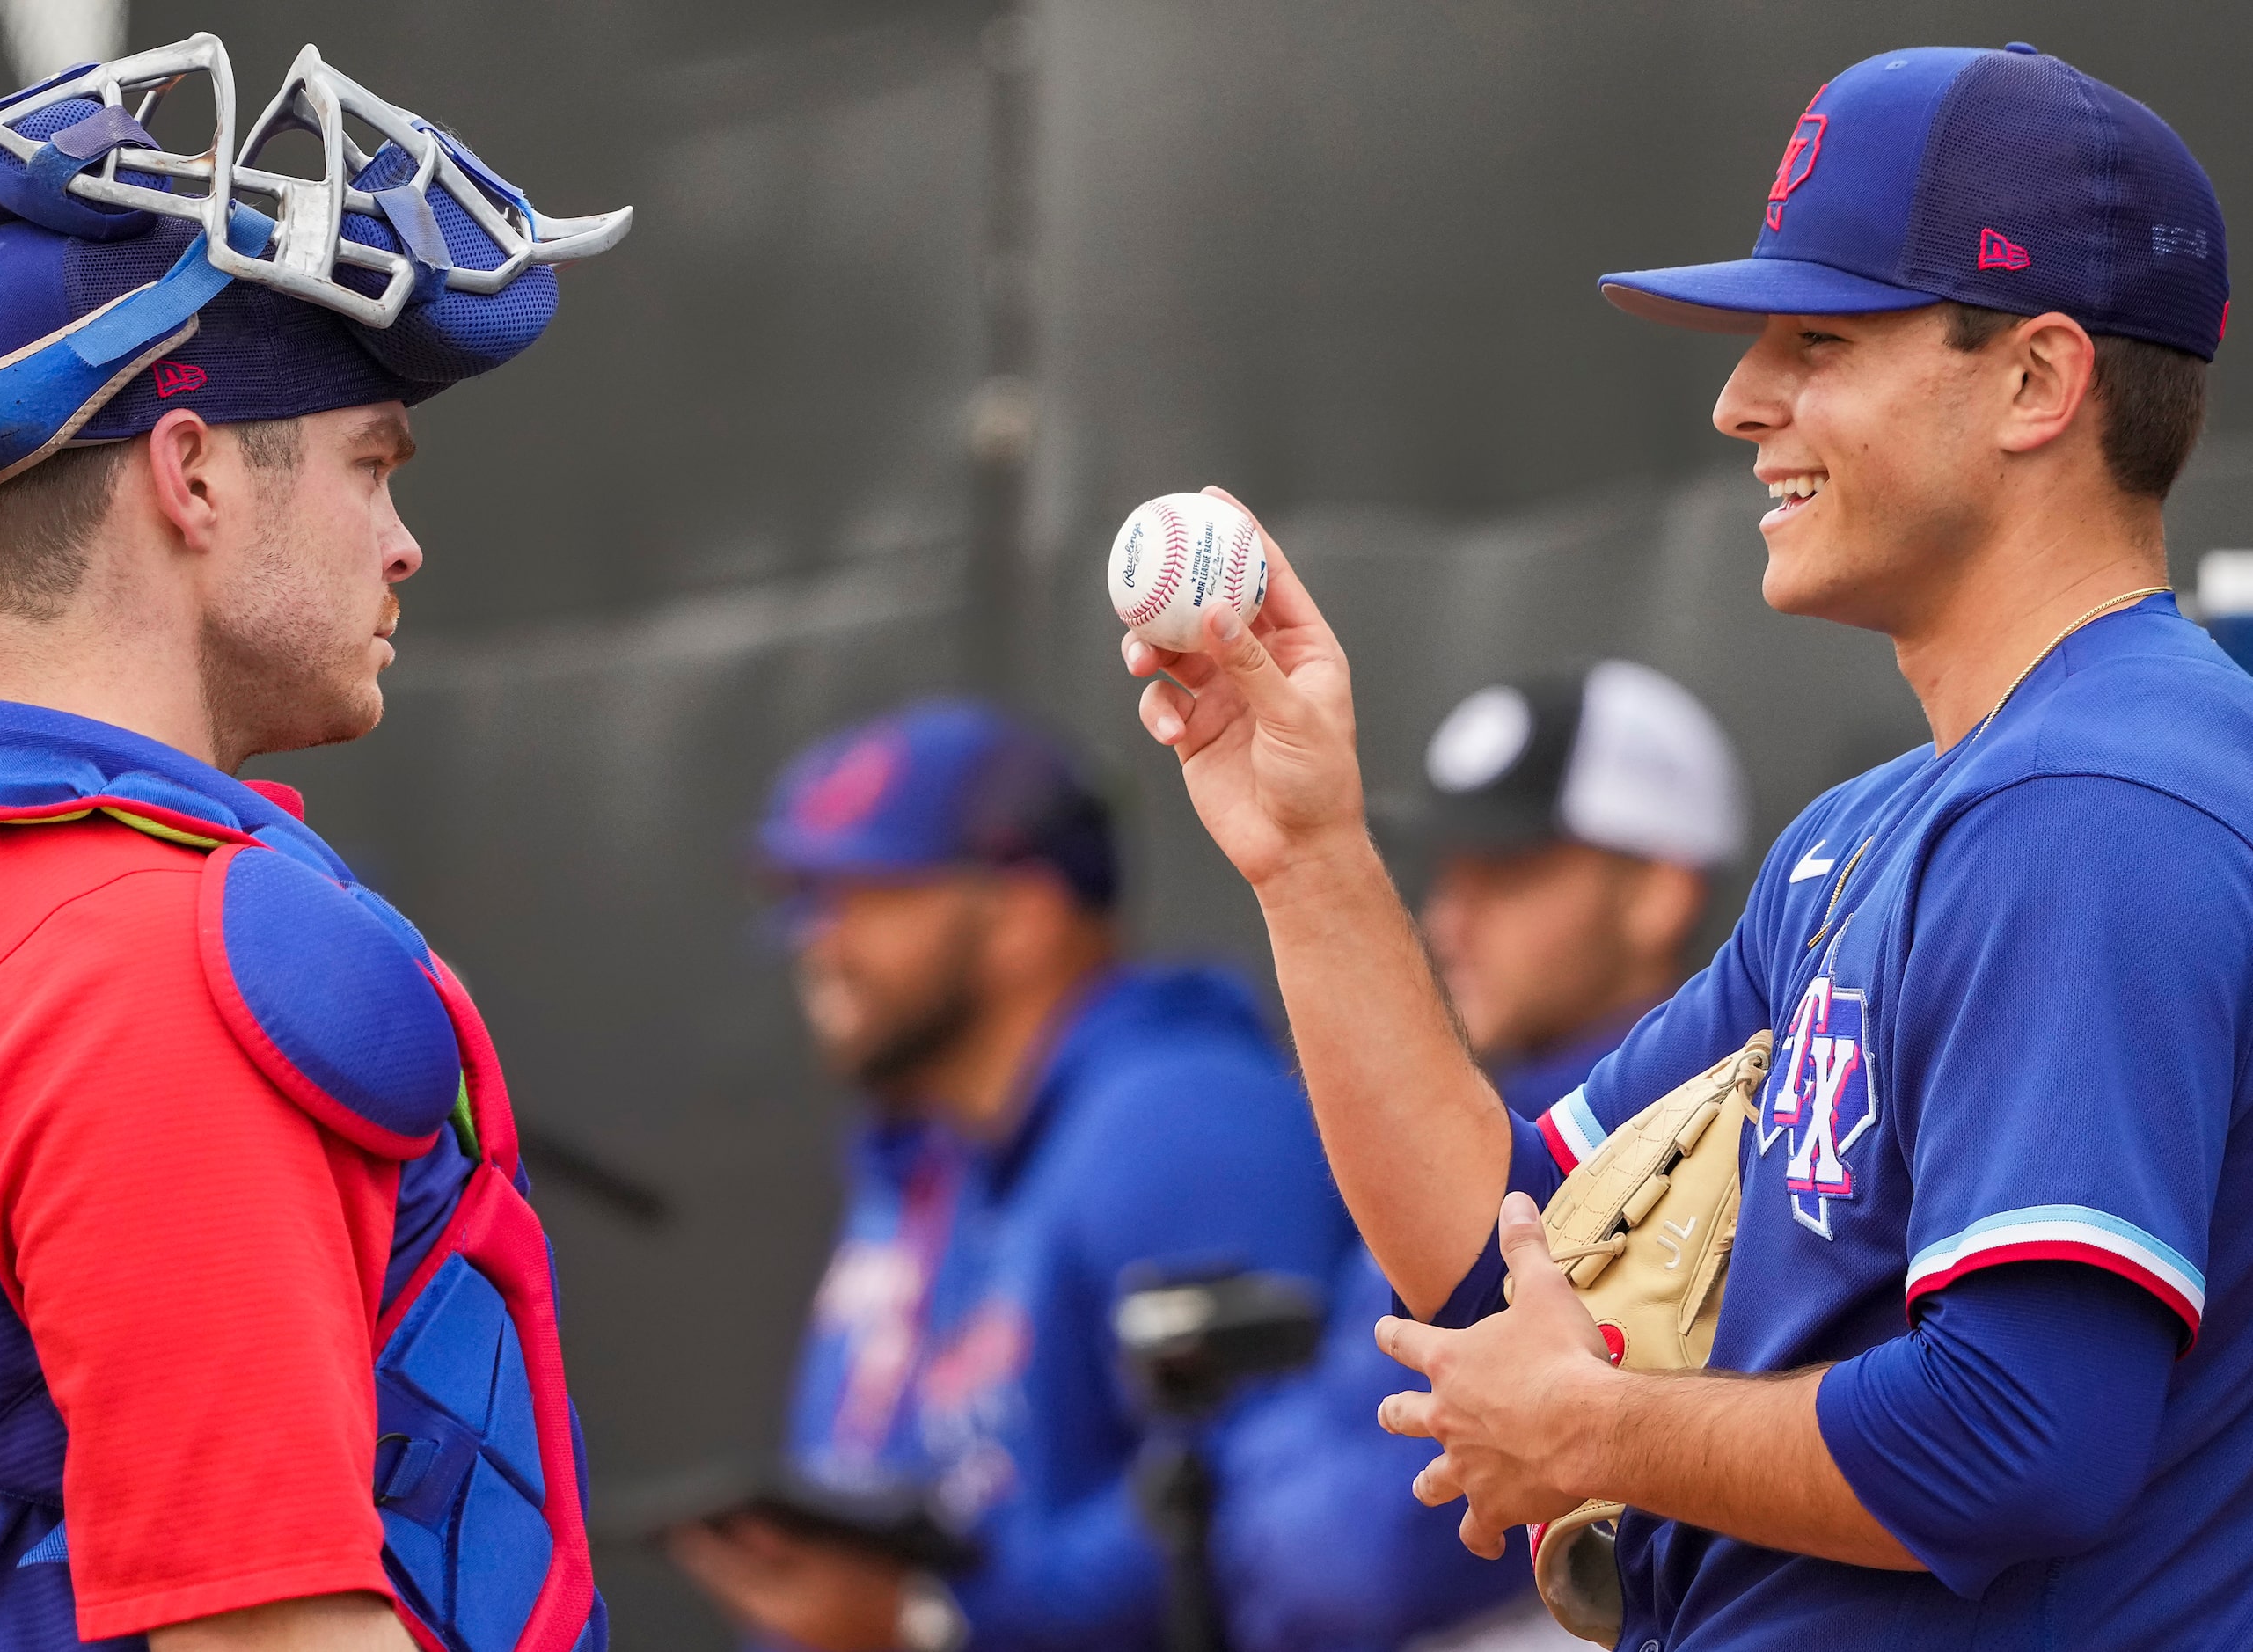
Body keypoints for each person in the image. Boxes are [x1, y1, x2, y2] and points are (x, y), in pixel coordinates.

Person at [1120, 42, 2250, 1652]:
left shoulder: (2091, 807)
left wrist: (1594, 1430)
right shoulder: (1869, 832)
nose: (1738, 401)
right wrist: (1304, 851)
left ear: (2034, 381)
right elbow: (1503, 1239)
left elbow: (2021, 1437)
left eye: (1815, 339)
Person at [0, 37, 628, 1652]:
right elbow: (272, 1632)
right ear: (189, 474)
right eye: (367, 462)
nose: (402, 543)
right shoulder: (155, 963)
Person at [669, 698, 1354, 1652]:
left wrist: (928, 1624)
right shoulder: (929, 1157)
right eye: (809, 900)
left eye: (868, 894)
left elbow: (1280, 1497)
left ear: (1023, 915)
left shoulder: (1179, 1118)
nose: (816, 940)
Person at [1211, 663, 1743, 1651]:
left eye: (1507, 873)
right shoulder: (1458, 1123)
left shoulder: (1702, 1147)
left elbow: (1359, 1569)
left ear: (1658, 894)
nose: (1451, 916)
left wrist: (1260, 1498)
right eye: (1448, 873)